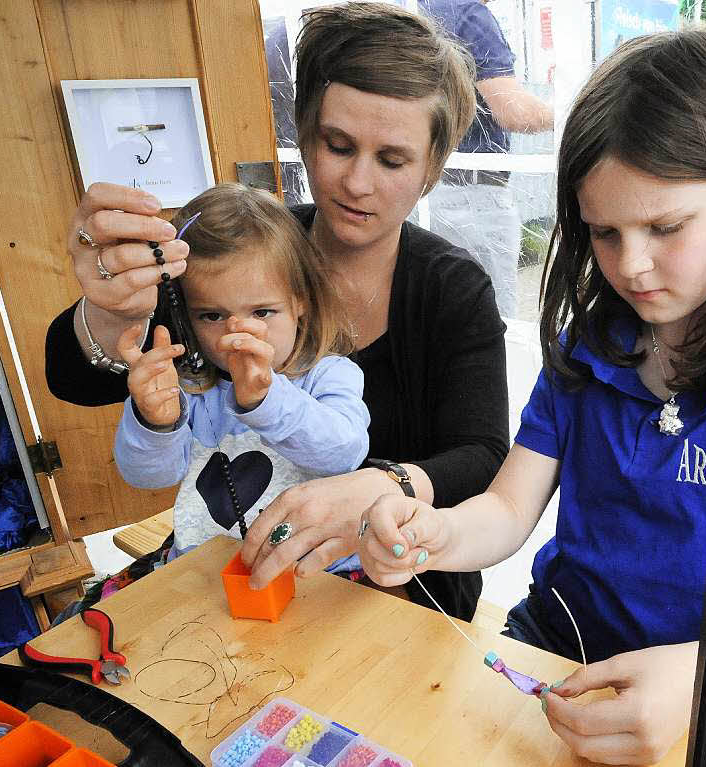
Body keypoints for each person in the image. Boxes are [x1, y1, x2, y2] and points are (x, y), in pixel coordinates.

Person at [357, 30, 706, 765]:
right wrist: (435, 533)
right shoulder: (590, 341)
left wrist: (694, 676)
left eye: (665, 227)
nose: (631, 267)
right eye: (604, 232)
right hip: (552, 662)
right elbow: (510, 508)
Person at [44, 2, 509, 621]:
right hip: (227, 566)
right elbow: (72, 379)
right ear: (306, 131)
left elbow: (480, 458)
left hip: (398, 586)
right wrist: (110, 313)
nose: (357, 183)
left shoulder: (452, 290)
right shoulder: (242, 253)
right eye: (336, 145)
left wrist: (384, 485)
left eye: (392, 160)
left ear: (432, 167)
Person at [113, 183, 368, 566]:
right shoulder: (190, 387)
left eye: (262, 312)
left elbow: (344, 454)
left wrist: (266, 402)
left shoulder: (328, 375)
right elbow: (149, 477)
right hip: (206, 572)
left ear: (300, 301)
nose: (237, 333)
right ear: (186, 316)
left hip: (315, 572)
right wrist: (156, 422)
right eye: (212, 316)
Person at [422, 0, 555, 319]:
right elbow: (513, 111)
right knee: (493, 317)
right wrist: (570, 112)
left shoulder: (417, 9)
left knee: (442, 309)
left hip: (429, 190)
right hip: (475, 198)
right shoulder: (471, 16)